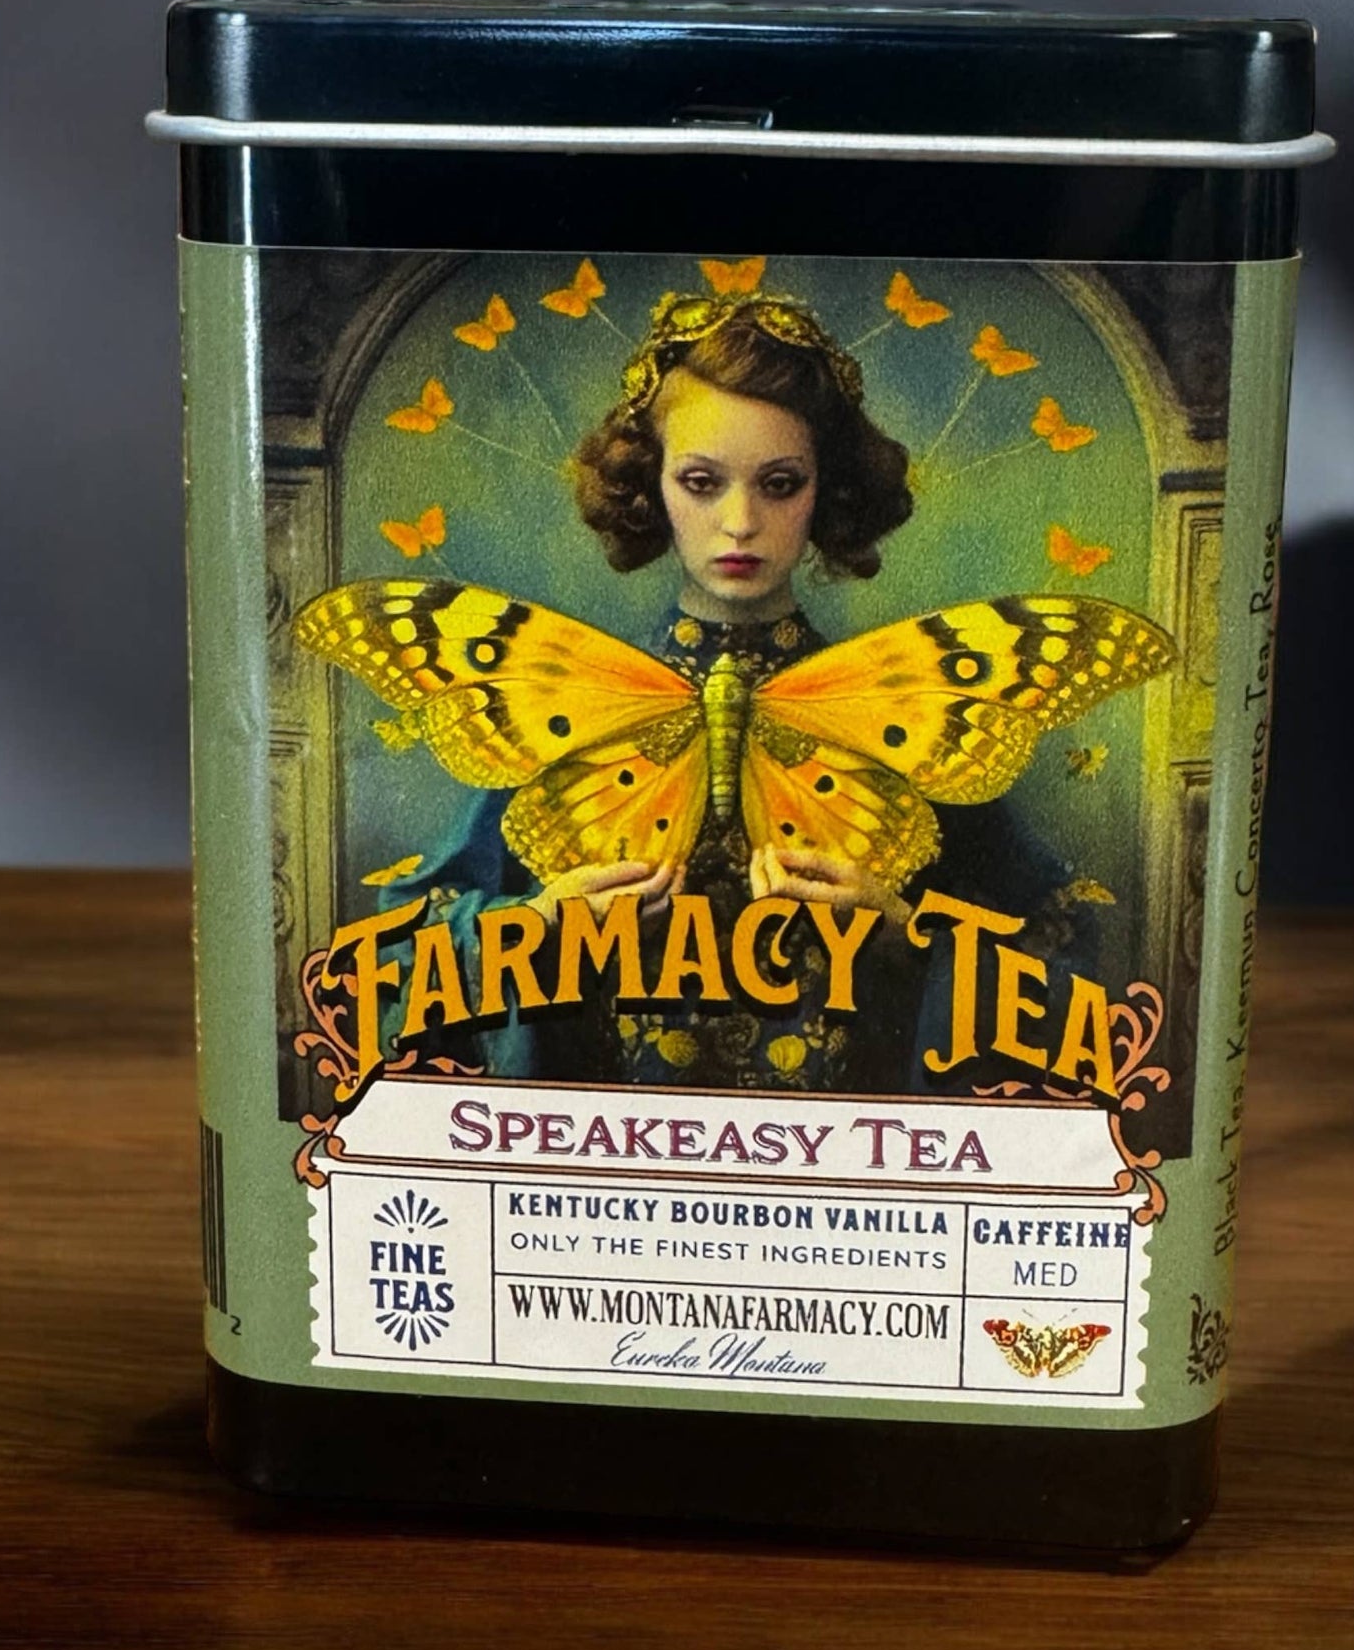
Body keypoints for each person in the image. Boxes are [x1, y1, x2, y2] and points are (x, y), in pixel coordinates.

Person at [379, 290, 1100, 1093]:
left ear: (827, 490)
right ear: (651, 486)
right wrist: (542, 928)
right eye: (701, 482)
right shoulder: (574, 705)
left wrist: (902, 936)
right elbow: (394, 962)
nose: (740, 522)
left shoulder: (900, 711)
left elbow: (1067, 959)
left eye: (780, 484)